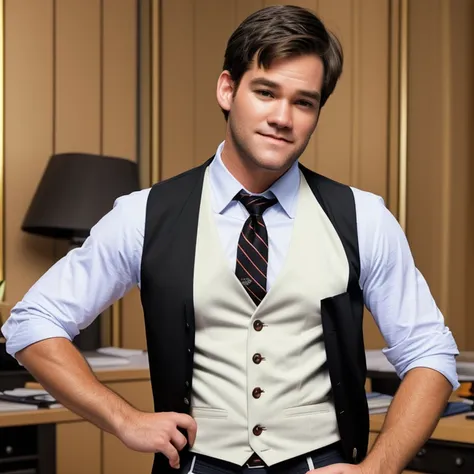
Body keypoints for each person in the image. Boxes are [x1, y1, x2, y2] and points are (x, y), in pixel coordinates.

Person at [1, 4, 459, 474]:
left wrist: (375, 471)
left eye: (304, 101)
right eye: (265, 92)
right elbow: (32, 322)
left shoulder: (363, 217)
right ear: (227, 89)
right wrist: (123, 419)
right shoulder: (144, 214)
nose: (283, 117)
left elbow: (431, 353)